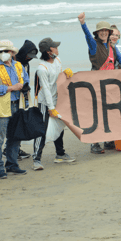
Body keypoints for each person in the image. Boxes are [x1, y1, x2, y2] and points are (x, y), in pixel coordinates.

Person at [78, 13, 121, 154]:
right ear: (97, 33)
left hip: (110, 85)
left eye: (106, 31)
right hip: (96, 85)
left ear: (109, 33)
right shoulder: (94, 45)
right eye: (101, 31)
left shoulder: (112, 47)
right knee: (97, 114)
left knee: (110, 112)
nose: (103, 33)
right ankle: (94, 144)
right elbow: (87, 37)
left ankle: (108, 140)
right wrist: (83, 24)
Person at [32, 38, 76, 171]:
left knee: (59, 126)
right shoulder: (42, 68)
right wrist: (51, 108)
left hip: (57, 99)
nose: (57, 49)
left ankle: (60, 154)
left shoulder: (57, 60)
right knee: (42, 129)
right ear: (48, 52)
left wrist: (65, 74)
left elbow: (59, 79)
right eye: (54, 47)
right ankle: (36, 159)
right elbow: (45, 89)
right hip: (45, 102)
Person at [0, 40, 28, 179]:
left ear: (12, 53)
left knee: (15, 136)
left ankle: (11, 165)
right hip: (1, 107)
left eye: (5, 51)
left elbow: (25, 80)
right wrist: (12, 88)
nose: (3, 54)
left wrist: (23, 86)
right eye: (0, 51)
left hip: (16, 104)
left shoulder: (19, 66)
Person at [10, 40, 38, 160]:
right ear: (24, 52)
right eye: (28, 55)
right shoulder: (15, 62)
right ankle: (9, 150)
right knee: (15, 124)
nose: (30, 58)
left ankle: (17, 148)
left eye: (31, 57)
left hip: (23, 96)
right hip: (13, 99)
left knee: (21, 122)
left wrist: (26, 89)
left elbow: (26, 78)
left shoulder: (26, 63)